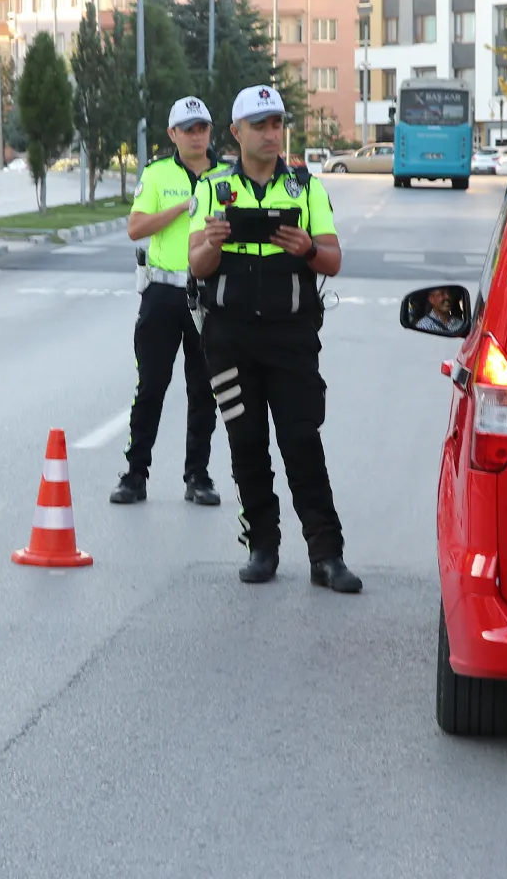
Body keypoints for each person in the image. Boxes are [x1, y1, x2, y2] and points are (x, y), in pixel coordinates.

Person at [187, 84, 361, 593]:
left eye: (277, 124)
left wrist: (307, 248)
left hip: (291, 336)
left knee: (302, 440)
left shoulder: (305, 187)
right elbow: (195, 264)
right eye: (260, 125)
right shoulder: (214, 188)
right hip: (229, 337)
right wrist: (213, 243)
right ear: (236, 133)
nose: (270, 134)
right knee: (246, 442)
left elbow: (333, 259)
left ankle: (326, 555)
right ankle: (262, 545)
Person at [111, 96, 222, 507]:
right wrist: (182, 208)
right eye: (188, 129)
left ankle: (198, 475)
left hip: (208, 294)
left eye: (203, 128)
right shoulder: (157, 174)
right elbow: (136, 227)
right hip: (162, 292)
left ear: (211, 132)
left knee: (203, 389)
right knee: (152, 386)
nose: (196, 135)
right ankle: (135, 474)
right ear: (173, 135)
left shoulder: (226, 175)